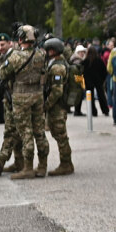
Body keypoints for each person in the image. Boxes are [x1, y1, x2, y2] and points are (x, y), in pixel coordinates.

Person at [0, 25, 49, 180]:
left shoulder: (15, 57)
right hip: (37, 95)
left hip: (21, 97)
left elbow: (2, 73)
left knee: (25, 131)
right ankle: (42, 166)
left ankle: (27, 167)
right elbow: (44, 72)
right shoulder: (41, 55)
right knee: (39, 131)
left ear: (20, 39)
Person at [0, 33, 25, 176]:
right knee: (15, 133)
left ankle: (1, 160)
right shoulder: (2, 59)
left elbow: (4, 75)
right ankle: (19, 163)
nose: (0, 48)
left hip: (18, 99)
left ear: (10, 44)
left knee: (11, 132)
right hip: (8, 100)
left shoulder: (14, 57)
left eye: (3, 45)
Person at [43, 38, 74, 176]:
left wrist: (46, 105)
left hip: (58, 106)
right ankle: (67, 163)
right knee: (59, 135)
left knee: (61, 136)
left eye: (48, 49)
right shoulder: (55, 63)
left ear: (53, 50)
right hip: (57, 106)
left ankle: (66, 164)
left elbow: (57, 91)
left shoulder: (57, 67)